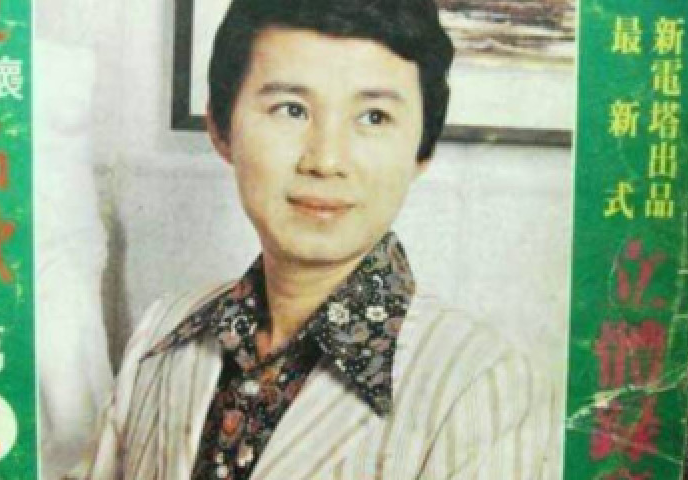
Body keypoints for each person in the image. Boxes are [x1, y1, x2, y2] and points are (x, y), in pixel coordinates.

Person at [74, 0, 556, 478]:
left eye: (374, 117)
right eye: (291, 110)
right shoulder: (161, 334)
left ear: (421, 149)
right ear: (221, 128)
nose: (325, 161)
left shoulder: (482, 387)